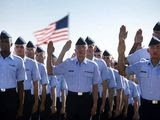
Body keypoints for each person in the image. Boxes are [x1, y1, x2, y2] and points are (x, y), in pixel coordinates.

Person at [47, 38, 100, 120]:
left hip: (86, 99)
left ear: (87, 50)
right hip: (72, 99)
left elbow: (95, 86)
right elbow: (50, 71)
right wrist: (49, 54)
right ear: (75, 50)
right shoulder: (68, 63)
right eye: (78, 47)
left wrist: (95, 105)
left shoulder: (93, 65)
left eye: (83, 47)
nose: (81, 49)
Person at [118, 25, 160, 120]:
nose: (155, 50)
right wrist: (124, 46)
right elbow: (124, 65)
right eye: (157, 33)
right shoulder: (142, 55)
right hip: (144, 105)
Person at [85, 36, 116, 120]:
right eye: (86, 46)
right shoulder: (78, 62)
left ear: (94, 48)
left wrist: (103, 103)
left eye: (90, 46)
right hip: (83, 96)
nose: (88, 49)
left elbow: (105, 85)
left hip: (97, 96)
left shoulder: (101, 63)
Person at [0, 31, 26, 120]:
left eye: (6, 41)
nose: (3, 44)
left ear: (11, 44)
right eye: (1, 41)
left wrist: (21, 107)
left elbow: (21, 85)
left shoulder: (18, 61)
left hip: (11, 97)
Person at [14, 38, 40, 120]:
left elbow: (36, 83)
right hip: (13, 94)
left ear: (25, 49)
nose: (19, 49)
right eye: (17, 47)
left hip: (27, 96)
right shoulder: (10, 61)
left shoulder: (32, 63)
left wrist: (36, 102)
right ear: (14, 49)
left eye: (21, 47)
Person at [35, 47, 49, 120]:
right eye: (37, 55)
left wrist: (42, 103)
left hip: (42, 97)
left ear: (44, 56)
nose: (38, 57)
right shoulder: (32, 65)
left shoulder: (44, 67)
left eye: (40, 55)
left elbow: (45, 86)